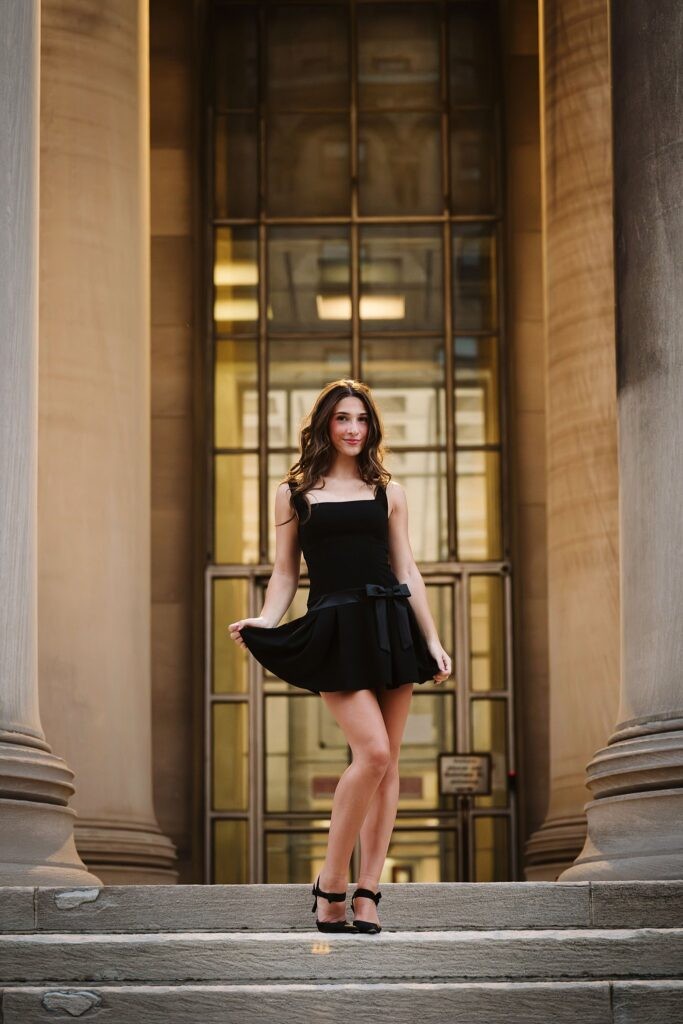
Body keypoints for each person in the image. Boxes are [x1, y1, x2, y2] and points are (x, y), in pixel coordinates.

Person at [228, 379, 451, 934]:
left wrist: (433, 639)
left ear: (371, 428)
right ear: (325, 425)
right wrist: (265, 621)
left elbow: (407, 570)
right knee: (372, 752)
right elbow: (285, 574)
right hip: (336, 628)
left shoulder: (389, 492)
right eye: (342, 418)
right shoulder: (294, 493)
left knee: (390, 764)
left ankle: (368, 891)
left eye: (362, 420)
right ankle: (331, 882)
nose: (353, 428)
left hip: (392, 623)